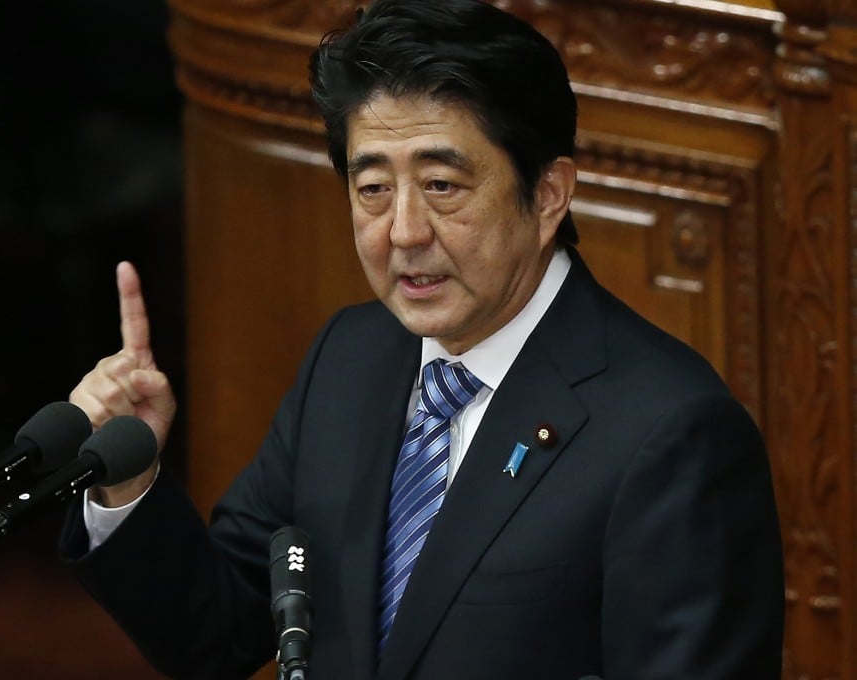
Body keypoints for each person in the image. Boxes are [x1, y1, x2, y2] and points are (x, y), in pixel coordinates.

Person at [60, 1, 784, 677]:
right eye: (372, 188)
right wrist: (128, 482)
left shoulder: (671, 434)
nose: (403, 232)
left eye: (442, 185)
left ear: (549, 193)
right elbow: (217, 633)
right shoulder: (350, 358)